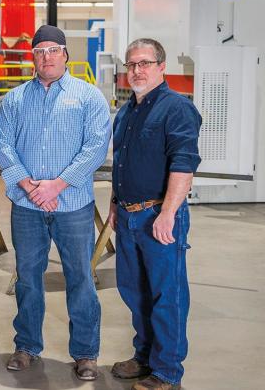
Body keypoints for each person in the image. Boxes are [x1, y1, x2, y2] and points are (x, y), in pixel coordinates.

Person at [0, 24, 110, 381]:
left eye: (53, 50)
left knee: (80, 278)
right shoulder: (14, 100)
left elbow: (95, 148)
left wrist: (56, 186)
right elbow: (3, 145)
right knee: (28, 278)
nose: (47, 57)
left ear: (65, 55)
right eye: (40, 51)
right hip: (27, 206)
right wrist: (29, 186)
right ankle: (27, 345)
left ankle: (86, 353)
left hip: (72, 205)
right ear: (33, 57)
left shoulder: (88, 97)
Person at [108, 38, 201, 390]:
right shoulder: (126, 112)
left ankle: (167, 372)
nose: (137, 70)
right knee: (134, 291)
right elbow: (122, 163)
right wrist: (115, 204)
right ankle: (144, 355)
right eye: (132, 64)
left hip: (159, 215)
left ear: (161, 66)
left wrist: (168, 213)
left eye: (144, 63)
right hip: (128, 216)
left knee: (167, 295)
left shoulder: (177, 108)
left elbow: (184, 164)